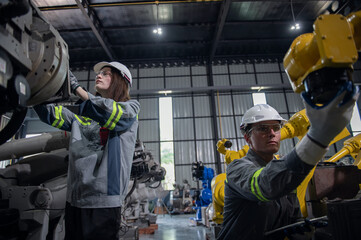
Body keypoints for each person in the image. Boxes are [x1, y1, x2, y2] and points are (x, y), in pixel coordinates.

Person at [217, 88, 359, 240]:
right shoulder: (237, 168)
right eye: (263, 128)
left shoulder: (285, 174)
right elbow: (265, 185)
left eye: (276, 128)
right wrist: (316, 139)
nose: (272, 133)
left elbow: (294, 217)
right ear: (247, 138)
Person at [34, 61, 140, 240]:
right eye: (100, 73)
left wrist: (75, 87)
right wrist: (41, 84)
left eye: (106, 73)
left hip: (103, 203)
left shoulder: (130, 109)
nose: (99, 75)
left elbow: (108, 112)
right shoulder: (83, 116)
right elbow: (49, 113)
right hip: (75, 201)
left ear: (121, 81)